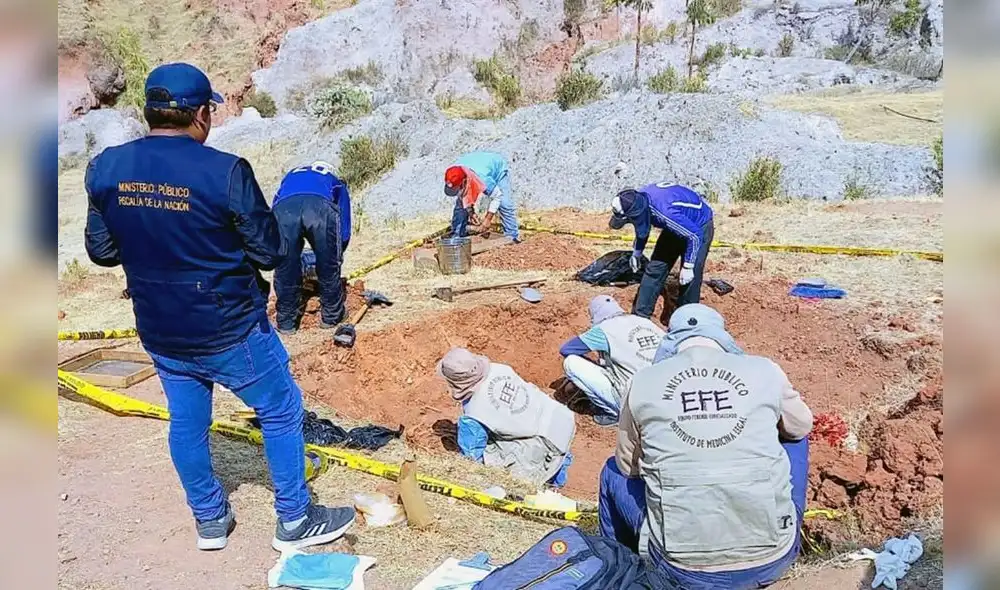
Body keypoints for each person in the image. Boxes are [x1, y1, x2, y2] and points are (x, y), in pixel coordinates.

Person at [84, 63, 355, 553]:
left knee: (188, 422)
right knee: (280, 408)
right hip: (229, 327)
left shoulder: (105, 167)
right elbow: (271, 254)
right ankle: (294, 518)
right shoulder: (225, 172)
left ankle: (210, 519)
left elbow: (102, 252)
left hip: (160, 328)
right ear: (201, 114)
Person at [598, 304, 813, 590]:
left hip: (684, 569)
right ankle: (778, 517)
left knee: (612, 470)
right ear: (722, 336)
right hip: (773, 558)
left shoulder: (642, 382)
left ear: (671, 340)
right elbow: (801, 426)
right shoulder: (765, 370)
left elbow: (628, 467)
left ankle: (620, 568)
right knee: (795, 438)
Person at [437, 347, 575, 486]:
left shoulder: (474, 413)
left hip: (544, 448)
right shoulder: (500, 369)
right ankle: (558, 478)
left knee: (487, 453)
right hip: (560, 421)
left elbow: (473, 460)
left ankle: (544, 480)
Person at [608, 183, 714, 318]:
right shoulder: (638, 201)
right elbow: (642, 227)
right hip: (677, 225)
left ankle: (686, 319)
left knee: (690, 276)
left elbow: (694, 236)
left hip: (699, 226)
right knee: (655, 268)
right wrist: (637, 252)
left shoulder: (665, 213)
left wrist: (688, 266)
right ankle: (639, 317)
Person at [271, 161, 351, 334]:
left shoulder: (290, 175)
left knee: (285, 266)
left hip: (284, 211)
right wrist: (335, 252)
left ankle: (286, 322)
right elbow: (343, 224)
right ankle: (332, 316)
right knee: (328, 264)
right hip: (319, 208)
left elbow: (275, 204)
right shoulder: (334, 180)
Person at [559, 295, 665, 426]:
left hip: (633, 402)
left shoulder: (604, 329)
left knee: (571, 362)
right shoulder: (646, 322)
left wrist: (594, 363)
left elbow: (566, 349)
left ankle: (614, 413)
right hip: (666, 397)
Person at [444, 151, 520, 242]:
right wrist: (471, 212)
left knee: (505, 204)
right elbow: (463, 196)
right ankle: (457, 235)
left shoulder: (483, 179)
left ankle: (512, 237)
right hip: (475, 163)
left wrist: (488, 219)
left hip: (496, 167)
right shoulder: (453, 174)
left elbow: (497, 196)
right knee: (460, 206)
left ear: (464, 182)